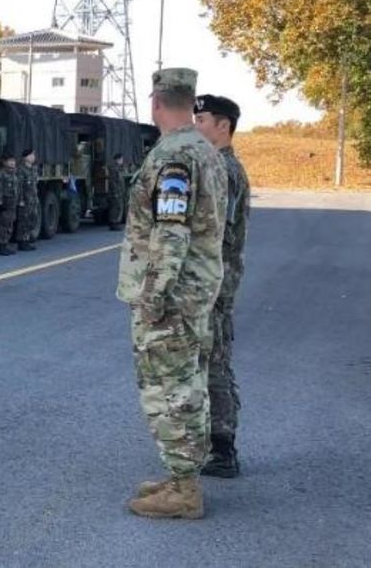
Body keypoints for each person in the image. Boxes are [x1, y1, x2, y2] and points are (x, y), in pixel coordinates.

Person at [117, 68, 228, 519]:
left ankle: (184, 492)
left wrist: (154, 295)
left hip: (173, 295)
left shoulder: (175, 157)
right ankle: (183, 476)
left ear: (156, 103)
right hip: (197, 289)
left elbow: (171, 232)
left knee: (169, 388)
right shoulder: (206, 150)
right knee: (187, 382)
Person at [193, 94, 250, 478]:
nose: (196, 126)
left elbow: (216, 231)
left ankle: (223, 448)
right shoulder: (216, 165)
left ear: (223, 126)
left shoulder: (226, 171)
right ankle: (212, 443)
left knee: (215, 360)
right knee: (209, 357)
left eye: (202, 120)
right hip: (210, 275)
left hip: (216, 278)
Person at [0, 151, 20, 255]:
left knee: (9, 225)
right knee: (4, 225)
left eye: (13, 161)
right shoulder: (1, 174)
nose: (12, 163)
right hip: (5, 203)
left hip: (12, 203)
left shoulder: (14, 173)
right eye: (10, 161)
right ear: (4, 162)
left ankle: (5, 245)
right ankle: (1, 246)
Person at [15, 149, 40, 251]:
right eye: (31, 155)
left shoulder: (34, 169)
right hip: (25, 200)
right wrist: (20, 200)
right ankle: (22, 242)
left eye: (34, 154)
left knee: (33, 219)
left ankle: (27, 237)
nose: (33, 156)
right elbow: (19, 186)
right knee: (23, 221)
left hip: (33, 199)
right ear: (26, 157)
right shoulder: (21, 170)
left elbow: (35, 185)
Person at [107, 153, 127, 231]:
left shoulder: (117, 168)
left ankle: (115, 222)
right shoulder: (113, 168)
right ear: (118, 159)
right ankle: (114, 223)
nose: (122, 161)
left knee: (118, 207)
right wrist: (115, 192)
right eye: (121, 159)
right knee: (116, 207)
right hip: (115, 192)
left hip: (119, 191)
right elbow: (113, 182)